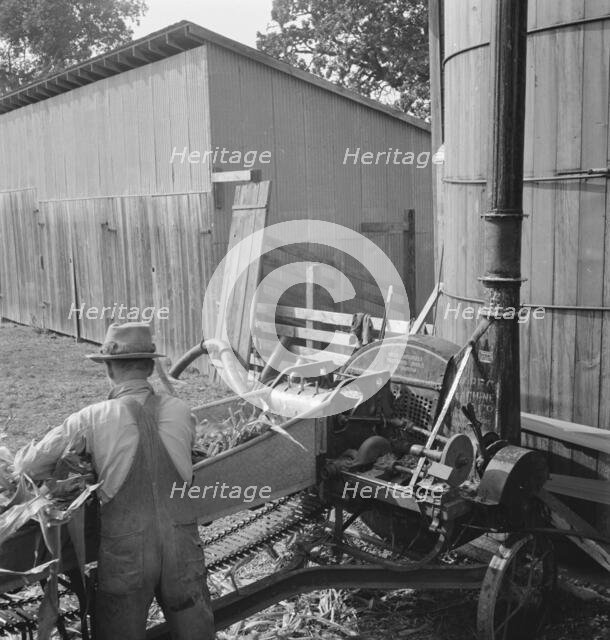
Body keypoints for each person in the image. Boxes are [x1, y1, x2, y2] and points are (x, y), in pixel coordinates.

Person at [14, 322, 215, 640]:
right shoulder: (181, 411)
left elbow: (28, 466)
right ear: (150, 366)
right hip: (182, 551)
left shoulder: (91, 418)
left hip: (126, 555)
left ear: (108, 368)